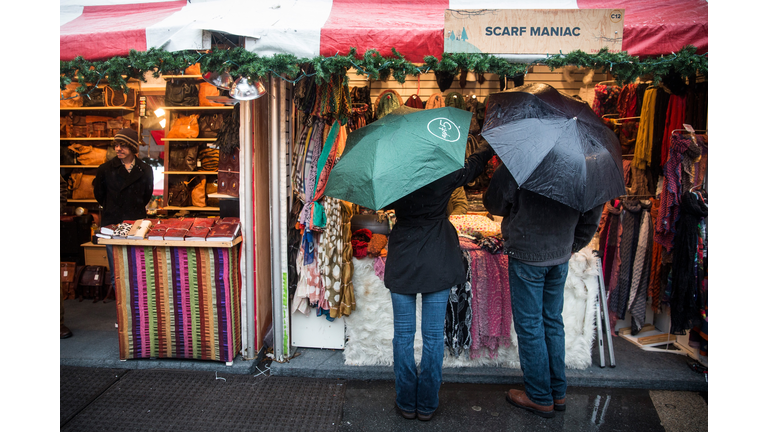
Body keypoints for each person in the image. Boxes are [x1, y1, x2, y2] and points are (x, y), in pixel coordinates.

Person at [384, 142, 495, 421]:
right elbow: (474, 165)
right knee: (433, 336)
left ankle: (407, 402)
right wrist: (489, 144)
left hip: (404, 258)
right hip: (438, 257)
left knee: (403, 337)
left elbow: (381, 201)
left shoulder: (394, 176)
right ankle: (428, 404)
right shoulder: (444, 174)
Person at [483, 164, 603, 418]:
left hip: (528, 250)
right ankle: (557, 392)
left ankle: (539, 395)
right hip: (559, 252)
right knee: (551, 320)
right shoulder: (583, 162)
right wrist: (574, 243)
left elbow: (495, 203)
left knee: (530, 324)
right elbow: (592, 213)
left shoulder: (525, 156)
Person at [93, 128, 154, 289]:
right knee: (116, 268)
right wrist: (113, 206)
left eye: (123, 145)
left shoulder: (145, 169)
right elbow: (99, 194)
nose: (118, 149)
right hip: (112, 222)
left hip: (136, 222)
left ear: (133, 147)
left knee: (137, 266)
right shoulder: (105, 169)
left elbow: (147, 194)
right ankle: (120, 303)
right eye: (116, 145)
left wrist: (132, 206)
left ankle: (138, 299)